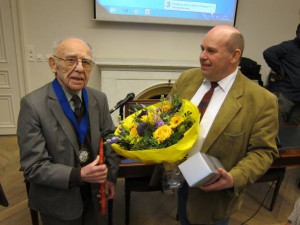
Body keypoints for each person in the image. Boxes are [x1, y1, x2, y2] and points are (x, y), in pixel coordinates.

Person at [169, 25, 279, 225]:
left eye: (211, 51)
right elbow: (166, 119)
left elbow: (263, 152)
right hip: (178, 179)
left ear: (234, 55)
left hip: (213, 195)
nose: (202, 56)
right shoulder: (187, 79)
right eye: (202, 49)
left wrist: (235, 178)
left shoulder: (262, 100)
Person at [17, 38, 119, 225]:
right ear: (53, 64)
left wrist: (110, 177)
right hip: (58, 204)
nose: (79, 68)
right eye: (71, 60)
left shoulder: (99, 99)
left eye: (86, 62)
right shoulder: (32, 105)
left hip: (95, 194)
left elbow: (109, 138)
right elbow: (33, 167)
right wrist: (78, 175)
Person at [263, 23, 300, 125]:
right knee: (276, 128)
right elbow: (268, 53)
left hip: (298, 101)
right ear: (297, 33)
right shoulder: (288, 46)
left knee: (293, 132)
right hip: (285, 95)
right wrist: (280, 70)